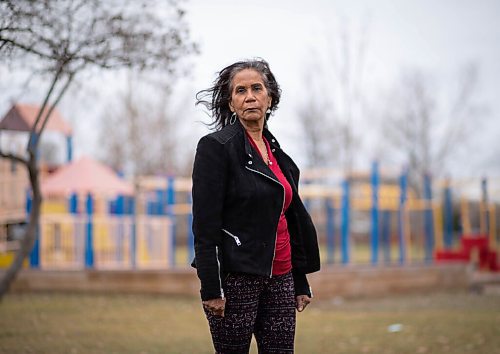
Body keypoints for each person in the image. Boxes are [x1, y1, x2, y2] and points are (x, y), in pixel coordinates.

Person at [192, 58, 320, 354]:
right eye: (240, 90)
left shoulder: (279, 156)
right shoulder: (215, 148)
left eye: (257, 88)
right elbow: (204, 224)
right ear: (231, 102)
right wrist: (212, 287)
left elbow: (288, 218)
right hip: (236, 279)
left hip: (281, 278)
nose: (249, 96)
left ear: (269, 97)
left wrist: (299, 279)